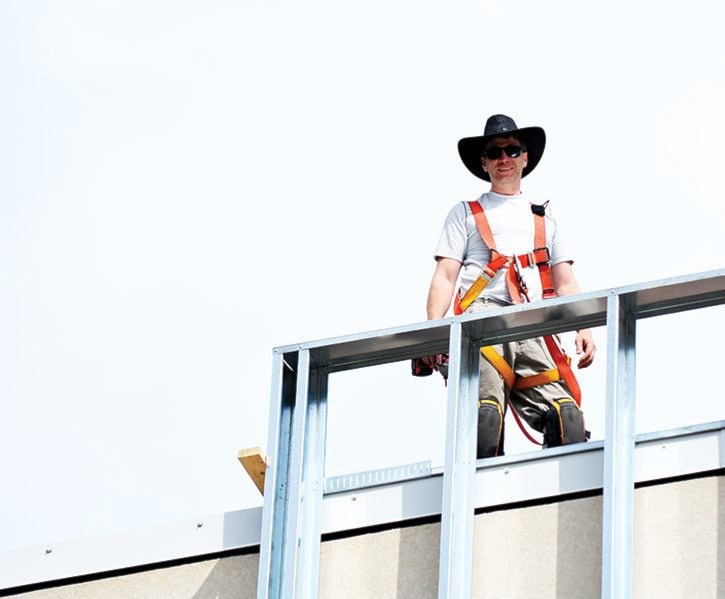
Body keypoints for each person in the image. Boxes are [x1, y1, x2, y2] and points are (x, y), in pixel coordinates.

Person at [425, 114, 596, 457]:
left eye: (512, 150)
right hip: (482, 320)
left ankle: (561, 500)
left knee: (567, 418)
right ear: (484, 162)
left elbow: (565, 281)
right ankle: (479, 500)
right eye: (496, 152)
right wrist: (432, 331)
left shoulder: (545, 216)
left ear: (525, 157)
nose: (505, 158)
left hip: (533, 321)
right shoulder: (466, 213)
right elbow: (446, 275)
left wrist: (583, 327)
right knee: (485, 414)